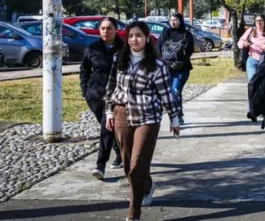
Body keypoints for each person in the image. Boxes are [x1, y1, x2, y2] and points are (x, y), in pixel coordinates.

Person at [105, 21, 181, 221]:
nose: (134, 40)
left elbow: (167, 94)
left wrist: (174, 118)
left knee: (138, 164)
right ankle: (147, 186)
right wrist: (109, 112)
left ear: (147, 38)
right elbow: (111, 87)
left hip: (148, 116)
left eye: (138, 35)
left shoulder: (158, 65)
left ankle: (133, 214)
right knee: (128, 164)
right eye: (130, 36)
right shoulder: (118, 59)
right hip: (121, 113)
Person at [80, 17, 124, 180]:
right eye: (103, 28)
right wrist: (85, 90)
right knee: (108, 127)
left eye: (109, 28)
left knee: (107, 129)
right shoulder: (93, 48)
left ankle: (100, 165)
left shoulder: (123, 48)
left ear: (115, 30)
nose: (106, 31)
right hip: (95, 96)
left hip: (115, 96)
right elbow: (84, 70)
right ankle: (119, 153)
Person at [156, 13, 195, 123]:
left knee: (175, 91)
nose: (173, 22)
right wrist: (162, 62)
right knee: (169, 93)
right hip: (166, 68)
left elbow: (189, 51)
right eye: (171, 20)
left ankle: (178, 116)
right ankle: (175, 114)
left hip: (182, 69)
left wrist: (181, 62)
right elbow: (158, 48)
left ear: (180, 21)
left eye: (175, 20)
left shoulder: (187, 35)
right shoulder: (165, 33)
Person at [237, 14, 265, 121]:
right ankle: (252, 110)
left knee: (264, 85)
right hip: (252, 60)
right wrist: (244, 44)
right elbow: (239, 43)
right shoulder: (250, 31)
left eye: (261, 21)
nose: (259, 23)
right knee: (252, 84)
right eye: (257, 21)